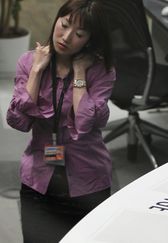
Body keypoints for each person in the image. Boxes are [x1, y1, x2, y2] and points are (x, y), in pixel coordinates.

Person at [6, 0, 115, 242]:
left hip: (88, 183)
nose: (66, 37)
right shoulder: (29, 61)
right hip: (38, 180)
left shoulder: (100, 71)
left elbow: (85, 122)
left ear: (90, 39)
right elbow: (18, 121)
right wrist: (36, 71)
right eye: (64, 25)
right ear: (56, 20)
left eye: (78, 34)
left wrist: (79, 73)